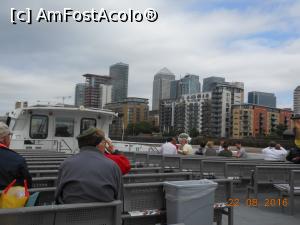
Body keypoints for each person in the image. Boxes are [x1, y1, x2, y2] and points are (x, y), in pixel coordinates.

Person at [55, 127, 123, 204]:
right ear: (98, 145)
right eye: (104, 142)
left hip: (70, 215)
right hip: (104, 215)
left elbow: (58, 197)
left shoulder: (66, 164)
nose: (105, 146)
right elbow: (119, 199)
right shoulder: (113, 166)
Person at [0, 122, 32, 190]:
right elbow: (28, 184)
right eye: (9, 136)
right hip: (8, 199)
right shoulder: (17, 159)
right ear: (4, 138)